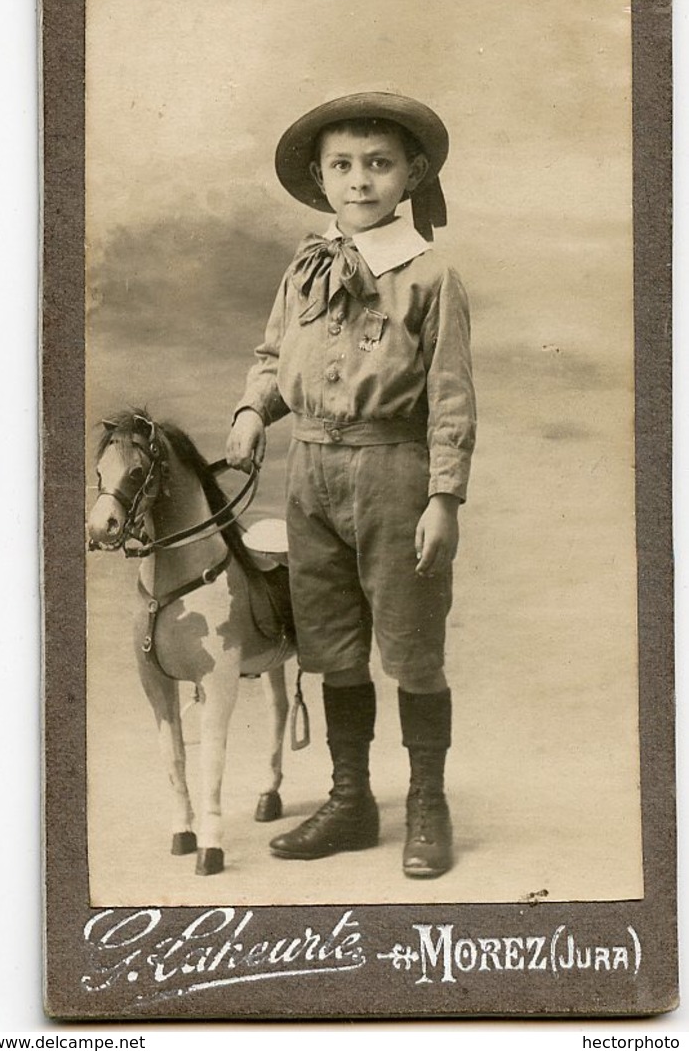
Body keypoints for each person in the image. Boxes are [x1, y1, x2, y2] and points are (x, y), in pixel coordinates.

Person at [226, 91, 476, 878]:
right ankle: (349, 801)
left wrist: (443, 496)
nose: (359, 180)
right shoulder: (304, 266)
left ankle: (426, 804)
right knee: (330, 642)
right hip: (310, 472)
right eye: (342, 165)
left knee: (410, 645)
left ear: (411, 176)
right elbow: (272, 357)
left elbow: (450, 392)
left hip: (392, 473)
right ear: (318, 176)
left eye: (378, 165)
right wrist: (249, 410)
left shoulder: (430, 275)